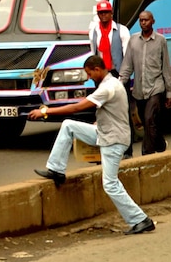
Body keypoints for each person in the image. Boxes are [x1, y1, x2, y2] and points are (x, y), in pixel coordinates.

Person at [29, 55, 155, 235]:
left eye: (89, 73)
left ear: (97, 69)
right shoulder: (111, 83)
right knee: (68, 126)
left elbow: (77, 108)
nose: (88, 77)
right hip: (105, 132)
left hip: (113, 139)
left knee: (110, 184)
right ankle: (56, 170)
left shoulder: (108, 87)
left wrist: (45, 111)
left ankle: (141, 220)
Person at [118, 10, 171, 156]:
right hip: (139, 90)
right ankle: (160, 144)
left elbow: (166, 67)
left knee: (149, 119)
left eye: (146, 20)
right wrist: (119, 83)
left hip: (156, 87)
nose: (143, 23)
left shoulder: (161, 40)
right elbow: (127, 65)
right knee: (148, 122)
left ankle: (146, 155)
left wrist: (169, 92)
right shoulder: (133, 40)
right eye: (141, 20)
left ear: (153, 21)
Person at [88, 0, 134, 158]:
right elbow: (93, 53)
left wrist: (122, 78)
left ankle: (127, 150)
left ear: (111, 13)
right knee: (102, 112)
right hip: (102, 75)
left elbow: (127, 56)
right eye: (101, 13)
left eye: (106, 12)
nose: (103, 15)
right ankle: (105, 148)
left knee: (123, 112)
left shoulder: (122, 31)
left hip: (117, 73)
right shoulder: (94, 31)